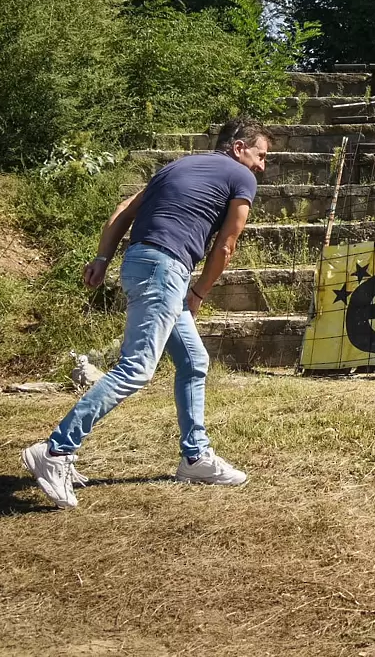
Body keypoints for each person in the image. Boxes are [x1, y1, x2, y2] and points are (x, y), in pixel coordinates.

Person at [21, 119, 271, 509]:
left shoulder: (175, 167)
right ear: (239, 148)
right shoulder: (241, 176)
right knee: (136, 368)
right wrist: (199, 292)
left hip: (139, 262)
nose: (262, 165)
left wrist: (102, 258)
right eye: (261, 155)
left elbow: (123, 212)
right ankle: (55, 451)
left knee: (193, 360)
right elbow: (226, 245)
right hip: (166, 270)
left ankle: (195, 458)